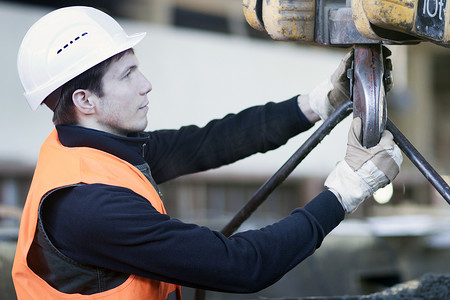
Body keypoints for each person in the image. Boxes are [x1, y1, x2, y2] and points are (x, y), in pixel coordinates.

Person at [12, 6, 402, 300]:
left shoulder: (92, 150)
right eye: (128, 74)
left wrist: (317, 102)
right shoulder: (89, 205)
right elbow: (244, 266)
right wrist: (345, 191)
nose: (146, 85)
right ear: (85, 100)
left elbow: (210, 142)